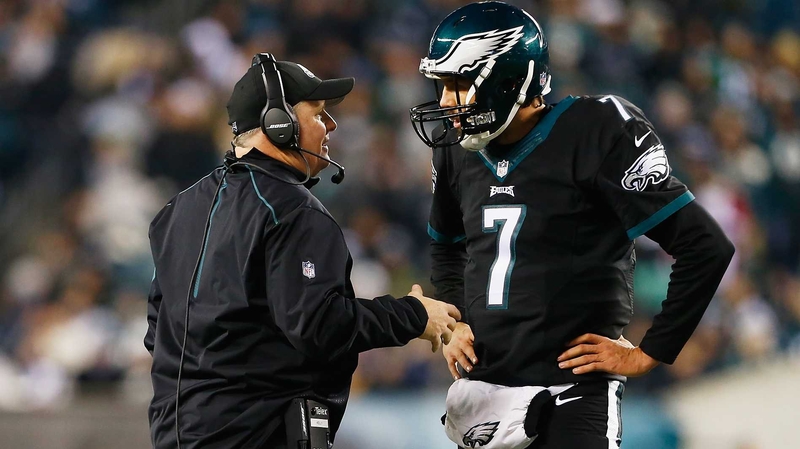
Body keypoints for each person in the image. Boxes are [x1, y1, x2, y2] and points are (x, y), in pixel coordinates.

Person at [409, 3, 735, 449]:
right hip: (483, 394)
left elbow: (704, 245)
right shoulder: (457, 149)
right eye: (442, 84)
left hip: (571, 393)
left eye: (459, 83)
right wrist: (453, 321)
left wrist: (650, 351)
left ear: (509, 79)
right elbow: (448, 247)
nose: (446, 101)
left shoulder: (594, 129)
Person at [145, 53, 461, 449]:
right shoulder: (293, 210)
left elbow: (158, 335)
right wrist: (413, 315)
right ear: (278, 124)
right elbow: (319, 327)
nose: (330, 125)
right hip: (253, 435)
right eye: (318, 114)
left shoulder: (177, 210)